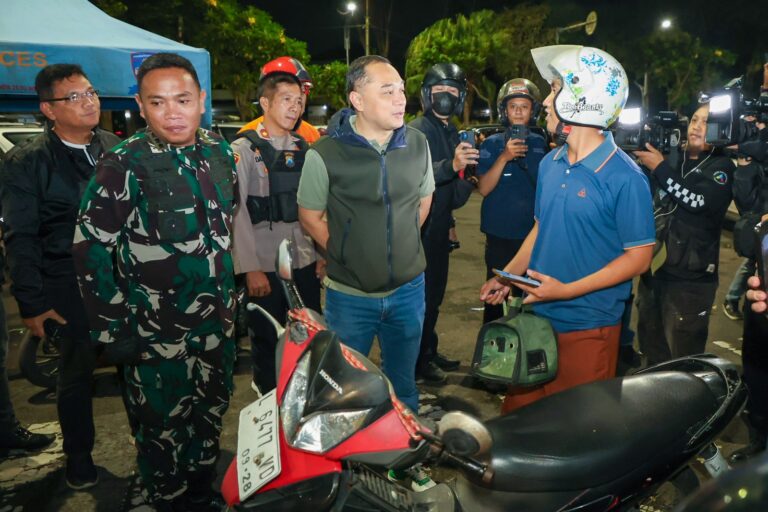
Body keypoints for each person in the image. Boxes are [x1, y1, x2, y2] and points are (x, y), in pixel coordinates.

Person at [72, 53, 237, 511]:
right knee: (161, 428)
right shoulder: (122, 164)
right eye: (158, 103)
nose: (173, 112)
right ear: (141, 108)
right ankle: (168, 499)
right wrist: (112, 331)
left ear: (201, 100)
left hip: (216, 326)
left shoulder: (221, 154)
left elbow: (222, 234)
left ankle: (201, 492)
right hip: (153, 334)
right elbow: (90, 248)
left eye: (182, 99)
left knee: (211, 415)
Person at [479, 45, 655, 414]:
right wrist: (509, 276)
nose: (545, 102)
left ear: (583, 101)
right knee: (519, 423)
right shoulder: (551, 163)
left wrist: (565, 291)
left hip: (589, 328)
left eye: (556, 90)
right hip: (537, 321)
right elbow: (541, 229)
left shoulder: (625, 177)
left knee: (574, 436)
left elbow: (639, 258)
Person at [298, 55, 435, 491]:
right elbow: (310, 215)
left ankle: (408, 460)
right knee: (343, 390)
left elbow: (422, 201)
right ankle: (345, 471)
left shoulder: (416, 143)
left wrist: (400, 246)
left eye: (401, 89)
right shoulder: (325, 153)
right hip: (348, 296)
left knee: (403, 382)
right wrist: (348, 253)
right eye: (387, 90)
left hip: (408, 291)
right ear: (357, 99)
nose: (401, 99)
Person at [0, 63, 120, 487]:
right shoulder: (27, 162)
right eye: (74, 97)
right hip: (66, 284)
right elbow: (21, 236)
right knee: (76, 374)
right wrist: (31, 302)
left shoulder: (114, 148)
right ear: (49, 110)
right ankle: (79, 456)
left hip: (124, 281)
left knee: (137, 364)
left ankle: (153, 449)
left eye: (90, 92)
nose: (88, 102)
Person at [231, 69, 322, 396]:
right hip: (266, 264)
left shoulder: (305, 147)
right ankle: (267, 398)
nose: (294, 108)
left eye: (299, 102)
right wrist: (250, 267)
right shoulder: (244, 149)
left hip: (304, 259)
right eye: (286, 100)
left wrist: (321, 255)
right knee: (268, 336)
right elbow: (237, 211)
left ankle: (303, 397)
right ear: (265, 103)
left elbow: (317, 205)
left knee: (309, 331)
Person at [633, 102, 737, 365]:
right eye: (694, 120)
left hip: (690, 281)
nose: (697, 126)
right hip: (654, 273)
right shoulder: (672, 159)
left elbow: (697, 201)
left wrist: (660, 168)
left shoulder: (722, 166)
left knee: (683, 359)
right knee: (651, 349)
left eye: (706, 121)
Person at [408, 63, 477, 384]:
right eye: (440, 92)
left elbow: (455, 194)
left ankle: (429, 350)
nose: (446, 98)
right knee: (420, 301)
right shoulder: (417, 130)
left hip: (438, 229)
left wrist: (468, 176)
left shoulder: (452, 133)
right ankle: (417, 362)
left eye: (453, 92)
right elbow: (415, 174)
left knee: (434, 297)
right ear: (426, 96)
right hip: (418, 231)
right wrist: (451, 164)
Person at [476, 78, 548, 324]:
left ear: (533, 111)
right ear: (504, 111)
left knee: (530, 301)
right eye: (513, 106)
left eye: (524, 106)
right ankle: (492, 351)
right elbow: (484, 189)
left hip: (532, 238)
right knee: (495, 300)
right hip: (499, 238)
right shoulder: (491, 144)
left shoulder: (544, 146)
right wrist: (504, 157)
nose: (518, 111)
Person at [238, 57, 321, 144]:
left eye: (305, 89)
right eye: (287, 97)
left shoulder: (312, 134)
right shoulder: (248, 137)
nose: (300, 97)